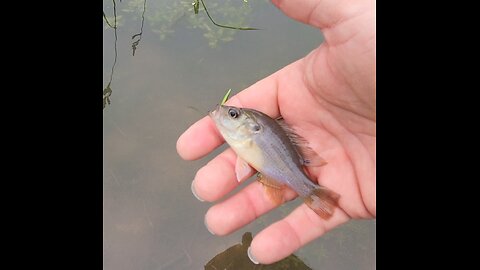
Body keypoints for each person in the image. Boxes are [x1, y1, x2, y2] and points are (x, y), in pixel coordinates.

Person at [177, 0, 375, 265]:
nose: (225, 112)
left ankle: (312, 192)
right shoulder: (248, 133)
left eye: (233, 114)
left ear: (251, 127)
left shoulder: (253, 132)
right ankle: (312, 193)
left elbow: (254, 156)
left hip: (293, 170)